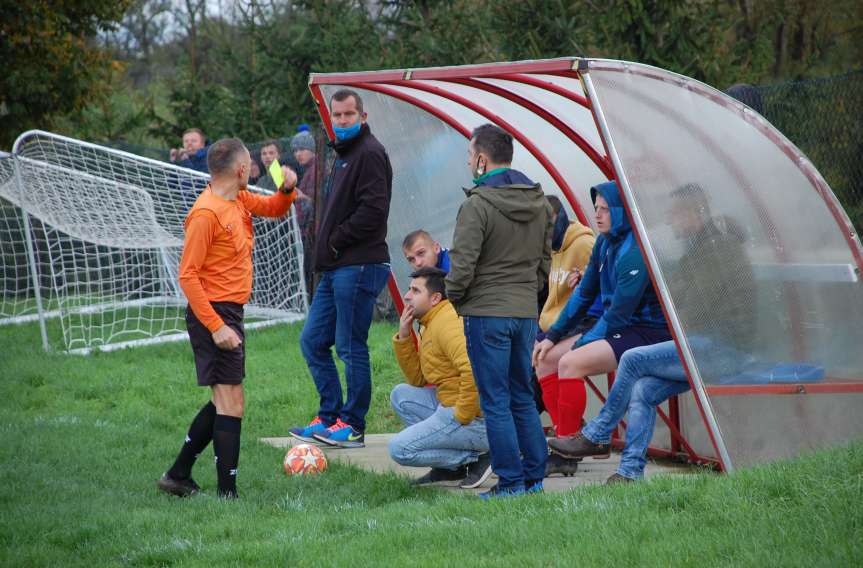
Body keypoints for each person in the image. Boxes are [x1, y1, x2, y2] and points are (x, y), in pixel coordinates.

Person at [548, 183, 755, 483]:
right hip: (700, 345)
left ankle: (597, 433)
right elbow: (682, 297)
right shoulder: (696, 248)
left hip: (723, 349)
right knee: (643, 389)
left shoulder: (715, 249)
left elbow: (693, 310)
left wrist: (668, 292)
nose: (669, 221)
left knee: (631, 360)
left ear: (695, 213)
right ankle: (630, 473)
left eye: (675, 214)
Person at [157, 138, 297, 499]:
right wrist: (216, 326)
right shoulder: (206, 213)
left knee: (225, 401)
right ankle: (227, 495)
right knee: (231, 402)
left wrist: (287, 190)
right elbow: (187, 276)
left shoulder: (238, 197)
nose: (253, 170)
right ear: (239, 170)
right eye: (250, 165)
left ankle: (178, 475)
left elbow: (273, 208)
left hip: (230, 311)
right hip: (214, 313)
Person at [446, 123, 553, 498]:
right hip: (524, 313)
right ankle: (534, 478)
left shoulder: (477, 205)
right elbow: (544, 263)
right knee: (522, 395)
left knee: (495, 401)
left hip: (486, 312)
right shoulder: (540, 202)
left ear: (481, 158)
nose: (468, 163)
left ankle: (510, 483)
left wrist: (457, 300)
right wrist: (527, 297)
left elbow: (462, 268)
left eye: (469, 156)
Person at [533, 181, 670, 459]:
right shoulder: (604, 243)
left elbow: (619, 312)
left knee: (570, 361)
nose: (597, 215)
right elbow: (583, 295)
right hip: (621, 327)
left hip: (648, 331)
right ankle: (568, 439)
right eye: (596, 208)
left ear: (623, 211)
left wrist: (582, 342)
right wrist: (552, 336)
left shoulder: (635, 249)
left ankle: (569, 452)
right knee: (547, 357)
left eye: (605, 210)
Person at [289, 89, 393, 448]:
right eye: (337, 116)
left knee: (350, 346)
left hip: (359, 263)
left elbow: (373, 211)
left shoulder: (370, 153)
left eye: (349, 115)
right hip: (336, 266)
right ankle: (329, 416)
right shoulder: (343, 155)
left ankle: (353, 425)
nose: (343, 121)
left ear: (362, 117)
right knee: (313, 341)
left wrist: (335, 240)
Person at [389, 267, 492, 488]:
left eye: (415, 291)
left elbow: (474, 368)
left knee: (400, 449)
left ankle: (477, 459)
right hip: (449, 401)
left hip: (474, 417)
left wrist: (462, 415)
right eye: (409, 290)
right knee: (401, 395)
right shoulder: (430, 320)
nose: (407, 296)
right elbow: (417, 379)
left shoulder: (447, 323)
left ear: (435, 298)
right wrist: (405, 336)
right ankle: (451, 467)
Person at [535, 195, 601, 476]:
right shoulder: (553, 247)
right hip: (562, 324)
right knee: (539, 360)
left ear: (555, 217)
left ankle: (567, 444)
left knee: (556, 361)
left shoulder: (583, 243)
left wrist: (585, 283)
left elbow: (598, 291)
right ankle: (566, 437)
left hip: (591, 323)